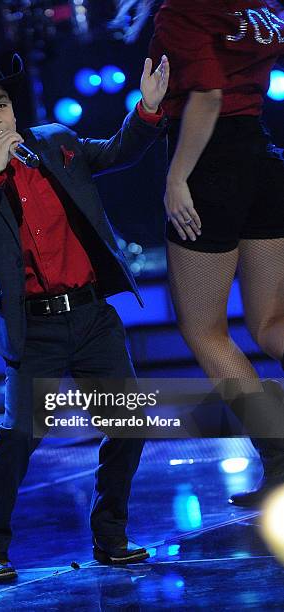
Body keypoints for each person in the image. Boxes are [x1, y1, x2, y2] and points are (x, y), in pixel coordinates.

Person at [0, 47, 169, 581]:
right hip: (35, 326)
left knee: (128, 425)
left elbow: (119, 149)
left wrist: (146, 109)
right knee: (20, 438)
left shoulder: (56, 142)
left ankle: (111, 536)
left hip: (93, 317)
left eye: (0, 103)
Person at [116, 0, 284, 506]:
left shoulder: (184, 9)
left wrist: (177, 176)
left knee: (203, 329)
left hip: (210, 167)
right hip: (264, 159)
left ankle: (280, 461)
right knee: (272, 322)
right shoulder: (262, 6)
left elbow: (208, 97)